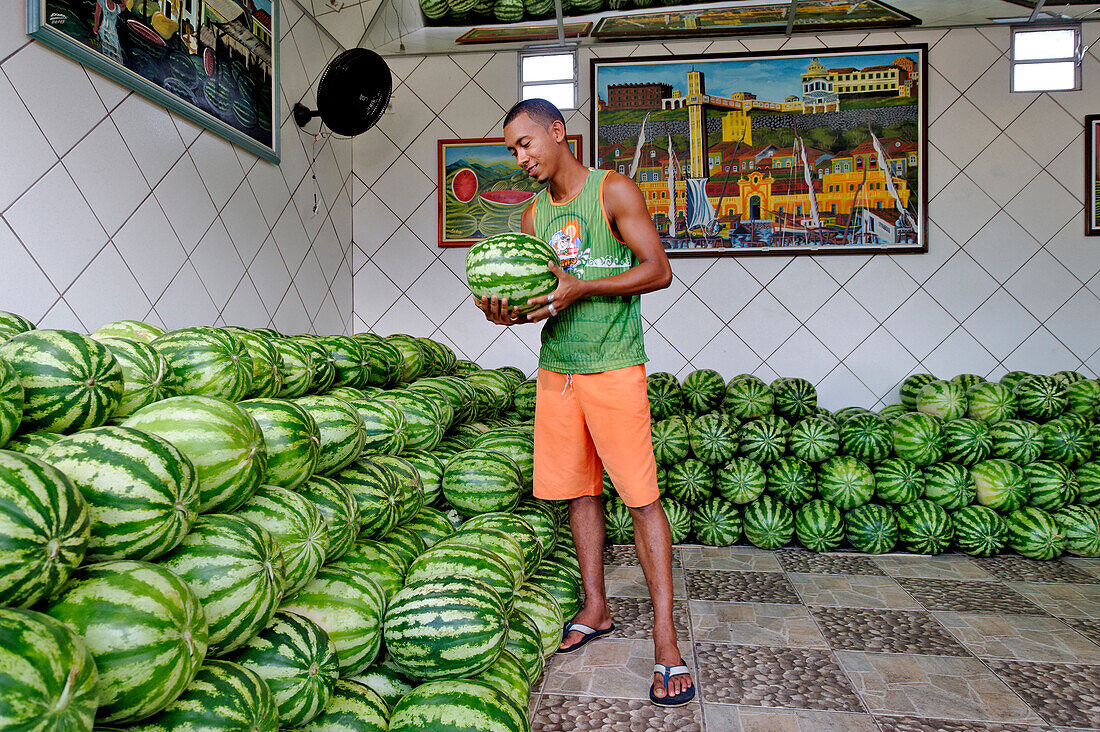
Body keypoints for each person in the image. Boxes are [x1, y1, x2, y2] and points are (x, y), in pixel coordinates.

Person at [473, 98, 694, 707]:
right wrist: (504, 312)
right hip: (557, 372)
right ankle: (595, 608)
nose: (521, 158)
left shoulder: (613, 191)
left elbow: (657, 270)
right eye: (513, 151)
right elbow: (540, 301)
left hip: (615, 366)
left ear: (556, 132)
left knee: (643, 500)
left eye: (525, 144)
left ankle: (666, 639)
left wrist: (584, 287)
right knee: (580, 492)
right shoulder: (532, 220)